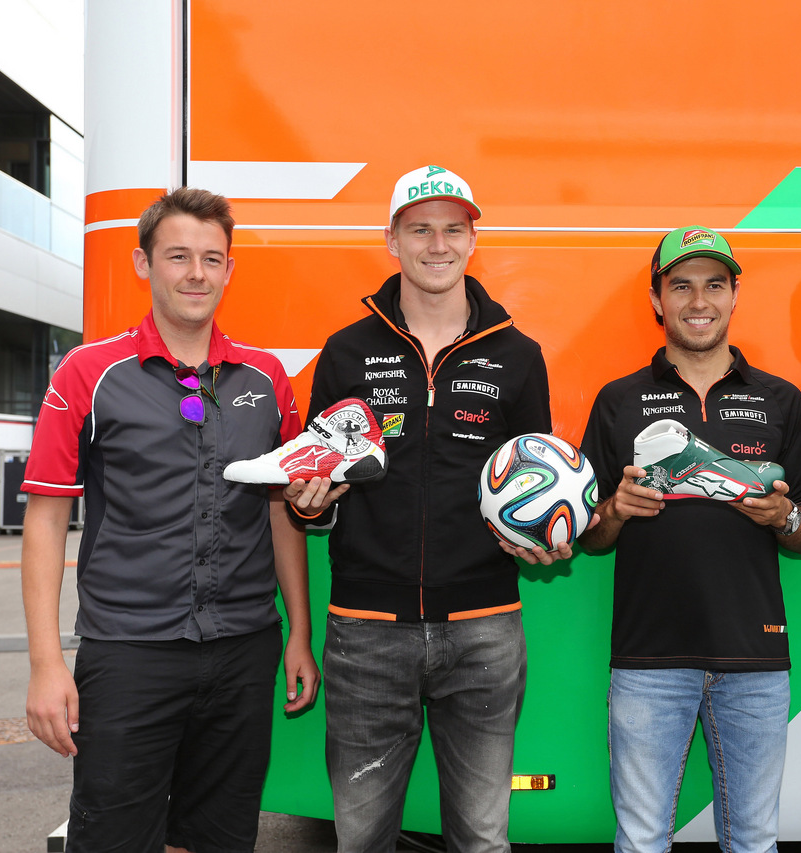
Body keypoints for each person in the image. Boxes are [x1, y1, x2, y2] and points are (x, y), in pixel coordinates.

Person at [21, 187, 320, 853]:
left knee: (219, 837)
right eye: (178, 255)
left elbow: (282, 511)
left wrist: (299, 630)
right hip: (130, 652)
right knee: (115, 837)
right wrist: (46, 662)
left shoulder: (268, 379)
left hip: (245, 648)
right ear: (143, 262)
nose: (196, 273)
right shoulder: (88, 373)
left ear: (230, 270)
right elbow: (44, 518)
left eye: (212, 258)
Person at [284, 165, 563, 853]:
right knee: (362, 840)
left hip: (485, 630)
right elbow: (318, 491)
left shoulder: (519, 356)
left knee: (483, 838)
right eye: (420, 229)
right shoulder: (347, 351)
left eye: (452, 229)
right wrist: (311, 505)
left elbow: (536, 482)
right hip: (366, 631)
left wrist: (545, 537)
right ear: (392, 240)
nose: (437, 244)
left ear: (473, 240)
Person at [577, 226, 801, 853]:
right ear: (658, 300)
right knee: (640, 840)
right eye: (682, 285)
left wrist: (782, 518)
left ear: (733, 295)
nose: (699, 301)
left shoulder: (780, 399)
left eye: (714, 285)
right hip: (648, 660)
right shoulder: (618, 400)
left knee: (753, 840)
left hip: (756, 661)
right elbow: (591, 536)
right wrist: (615, 508)